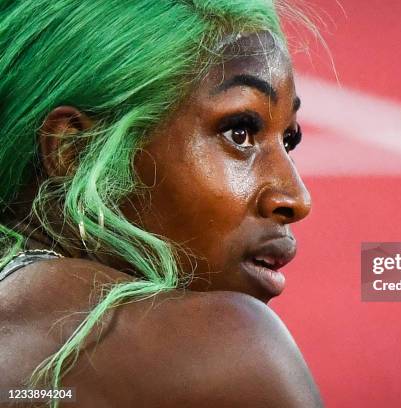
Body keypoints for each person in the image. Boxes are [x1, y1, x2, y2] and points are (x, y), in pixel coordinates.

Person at [0, 0, 322, 406]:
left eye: (289, 140)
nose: (295, 198)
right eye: (239, 133)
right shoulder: (228, 349)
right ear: (74, 149)